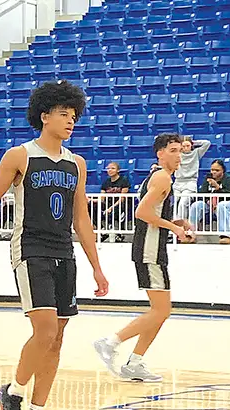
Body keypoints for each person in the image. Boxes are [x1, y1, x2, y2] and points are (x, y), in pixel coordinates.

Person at [0, 80, 109, 410]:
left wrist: (97, 266)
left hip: (64, 252)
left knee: (57, 339)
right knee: (45, 329)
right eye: (64, 114)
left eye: (74, 115)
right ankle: (13, 394)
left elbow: (81, 219)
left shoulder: (76, 163)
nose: (70, 121)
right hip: (31, 249)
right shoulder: (20, 156)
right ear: (44, 115)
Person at [94, 133, 191, 382]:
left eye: (180, 150)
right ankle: (110, 343)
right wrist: (175, 229)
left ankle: (135, 362)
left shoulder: (160, 177)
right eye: (173, 150)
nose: (179, 155)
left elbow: (153, 213)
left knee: (161, 311)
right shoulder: (161, 178)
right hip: (149, 250)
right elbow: (142, 212)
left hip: (153, 249)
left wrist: (175, 223)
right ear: (160, 153)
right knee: (161, 311)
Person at [189, 159, 230, 245]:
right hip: (210, 204)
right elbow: (202, 193)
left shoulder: (228, 178)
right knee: (196, 205)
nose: (214, 172)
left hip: (228, 203)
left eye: (217, 170)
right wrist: (207, 200)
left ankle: (225, 235)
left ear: (223, 171)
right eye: (212, 170)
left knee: (222, 205)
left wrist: (218, 188)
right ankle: (191, 233)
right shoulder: (208, 178)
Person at [173, 136, 211, 220]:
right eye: (183, 146)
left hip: (190, 182)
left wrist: (192, 142)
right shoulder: (177, 155)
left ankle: (181, 225)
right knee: (173, 202)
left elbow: (207, 143)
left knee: (182, 203)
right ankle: (173, 225)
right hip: (178, 182)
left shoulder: (196, 153)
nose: (185, 148)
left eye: (188, 146)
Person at [100, 162, 131, 242]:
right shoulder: (106, 182)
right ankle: (102, 230)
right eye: (108, 168)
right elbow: (102, 198)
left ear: (118, 170)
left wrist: (111, 208)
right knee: (92, 206)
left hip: (120, 204)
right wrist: (90, 200)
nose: (110, 170)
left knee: (120, 208)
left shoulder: (124, 180)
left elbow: (122, 198)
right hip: (108, 203)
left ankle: (120, 233)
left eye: (113, 168)